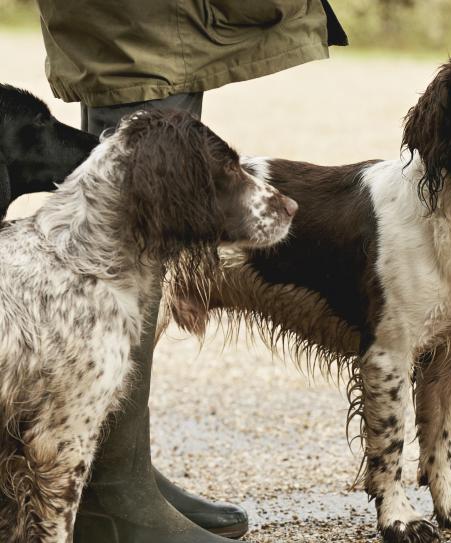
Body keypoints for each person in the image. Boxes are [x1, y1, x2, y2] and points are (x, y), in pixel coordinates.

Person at [35, 2, 347, 542]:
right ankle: (107, 491)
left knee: (142, 89)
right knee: (132, 221)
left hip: (143, 26)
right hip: (145, 22)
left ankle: (114, 467)